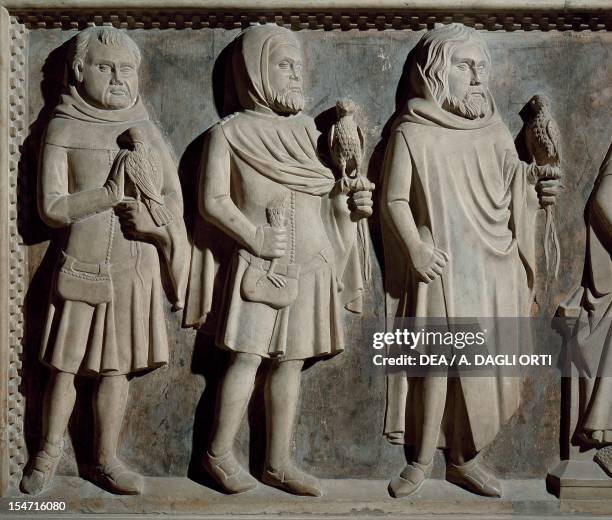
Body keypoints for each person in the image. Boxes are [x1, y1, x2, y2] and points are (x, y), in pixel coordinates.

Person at [185, 24, 373, 497]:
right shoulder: (229, 134)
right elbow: (212, 201)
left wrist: (351, 204)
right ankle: (217, 454)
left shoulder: (312, 136)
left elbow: (328, 197)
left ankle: (277, 461)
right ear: (254, 72)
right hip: (259, 266)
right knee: (246, 359)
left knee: (289, 365)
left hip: (311, 266)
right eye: (283, 65)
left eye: (298, 66)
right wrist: (254, 236)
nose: (295, 75)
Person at [381, 23, 562, 498]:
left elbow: (512, 183)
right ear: (436, 74)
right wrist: (415, 249)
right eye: (465, 67)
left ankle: (464, 459)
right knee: (437, 366)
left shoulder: (494, 129)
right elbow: (394, 200)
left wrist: (537, 186)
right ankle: (420, 461)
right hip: (439, 266)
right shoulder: (412, 130)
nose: (479, 77)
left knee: (480, 367)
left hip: (491, 266)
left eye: (482, 67)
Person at [21, 26, 187, 496]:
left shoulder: (145, 130)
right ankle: (47, 453)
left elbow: (172, 200)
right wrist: (107, 196)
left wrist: (156, 226)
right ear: (78, 72)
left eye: (126, 70)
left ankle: (104, 459)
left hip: (135, 266)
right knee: (65, 368)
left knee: (117, 370)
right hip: (84, 263)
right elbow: (51, 208)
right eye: (104, 67)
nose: (117, 78)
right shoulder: (63, 126)